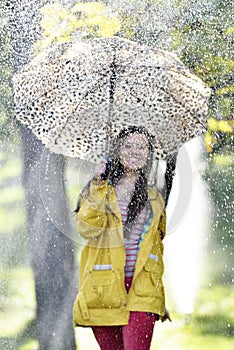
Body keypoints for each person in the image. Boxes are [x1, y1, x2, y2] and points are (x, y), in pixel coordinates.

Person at [73, 126, 171, 350]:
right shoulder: (100, 190)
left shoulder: (154, 197)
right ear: (117, 150)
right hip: (105, 289)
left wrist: (157, 296)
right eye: (128, 145)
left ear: (148, 154)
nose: (135, 151)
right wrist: (98, 184)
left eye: (141, 146)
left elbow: (156, 249)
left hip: (142, 291)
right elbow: (86, 229)